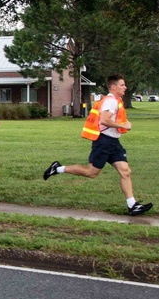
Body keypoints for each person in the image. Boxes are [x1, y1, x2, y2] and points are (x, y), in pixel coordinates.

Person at [43, 74, 152, 216]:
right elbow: (105, 120)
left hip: (114, 142)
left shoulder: (116, 101)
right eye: (122, 85)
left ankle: (132, 206)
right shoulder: (110, 101)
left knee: (125, 171)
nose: (125, 87)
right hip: (103, 142)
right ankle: (57, 168)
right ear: (113, 87)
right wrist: (123, 125)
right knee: (91, 173)